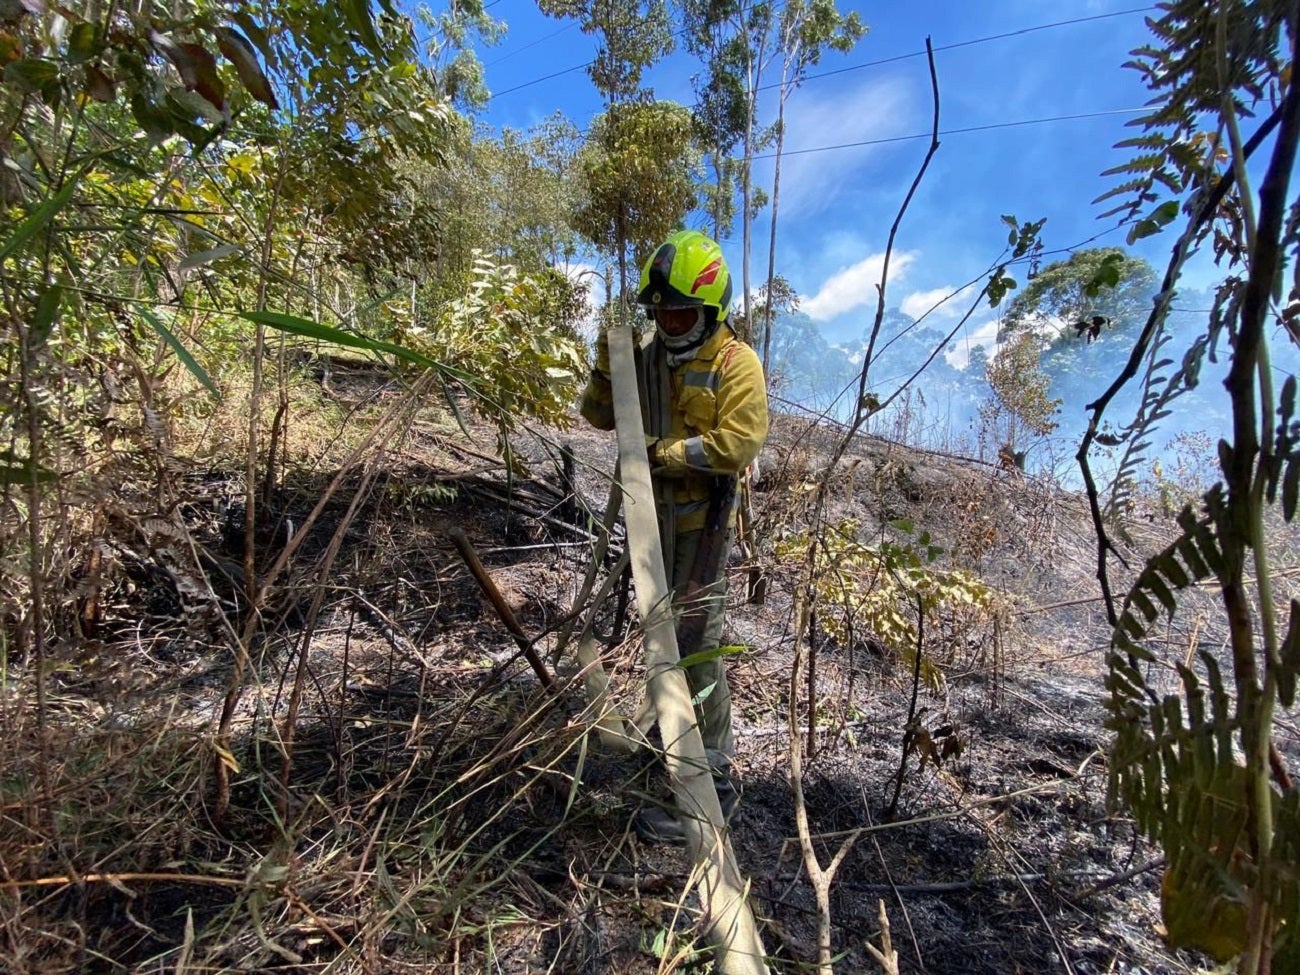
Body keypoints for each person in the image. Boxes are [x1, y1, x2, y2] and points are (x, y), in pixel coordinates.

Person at [579, 229, 769, 843]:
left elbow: (738, 443)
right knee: (656, 637)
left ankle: (709, 781)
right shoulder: (649, 357)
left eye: (681, 310)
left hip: (701, 527)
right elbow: (598, 416)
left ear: (710, 308)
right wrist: (607, 370)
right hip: (648, 524)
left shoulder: (735, 363)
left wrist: (668, 453)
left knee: (695, 646)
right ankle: (665, 739)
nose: (669, 320)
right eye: (660, 310)